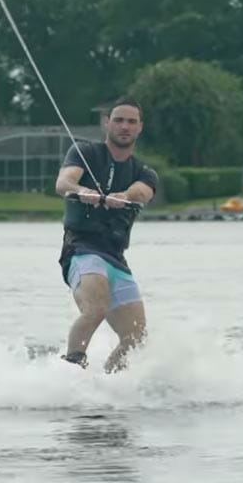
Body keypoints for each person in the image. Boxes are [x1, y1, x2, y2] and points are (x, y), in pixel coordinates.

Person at [53, 97, 158, 373]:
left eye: (131, 122)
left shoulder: (144, 172)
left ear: (140, 127)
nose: (125, 126)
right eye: (119, 120)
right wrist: (82, 191)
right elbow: (63, 182)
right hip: (81, 250)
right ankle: (71, 372)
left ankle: (109, 384)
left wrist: (124, 195)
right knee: (96, 309)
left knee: (136, 336)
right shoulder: (84, 153)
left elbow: (143, 192)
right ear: (106, 123)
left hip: (115, 258)